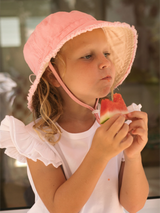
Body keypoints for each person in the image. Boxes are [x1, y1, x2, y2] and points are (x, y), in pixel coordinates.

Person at [0, 11, 149, 213]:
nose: (105, 62)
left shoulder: (116, 123)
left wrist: (133, 157)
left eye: (106, 53)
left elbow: (134, 205)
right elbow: (61, 209)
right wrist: (99, 154)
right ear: (53, 76)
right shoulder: (39, 139)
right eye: (87, 56)